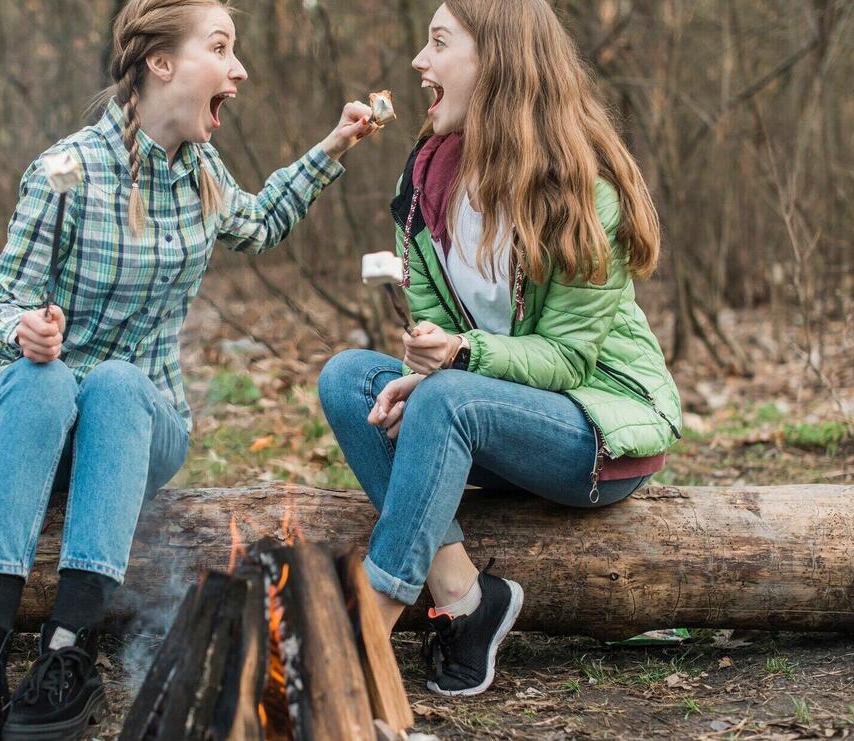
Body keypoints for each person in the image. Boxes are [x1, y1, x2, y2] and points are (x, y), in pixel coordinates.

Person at [0, 1, 376, 737]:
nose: (239, 70)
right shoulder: (64, 171)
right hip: (28, 413)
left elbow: (261, 221)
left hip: (137, 424)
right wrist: (25, 331)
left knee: (115, 380)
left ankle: (69, 649)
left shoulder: (202, 173)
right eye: (222, 47)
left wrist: (334, 144)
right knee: (48, 381)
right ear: (160, 64)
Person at [318, 0, 682, 698]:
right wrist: (428, 360)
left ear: (498, 62)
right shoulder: (423, 186)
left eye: (438, 43)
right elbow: (437, 341)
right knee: (346, 379)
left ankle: (366, 624)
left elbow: (566, 360)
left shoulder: (582, 193)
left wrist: (456, 361)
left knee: (450, 396)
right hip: (480, 417)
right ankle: (464, 598)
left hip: (595, 431)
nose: (420, 62)